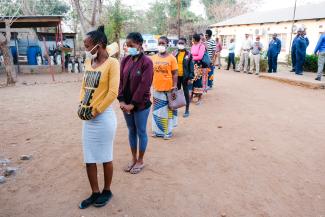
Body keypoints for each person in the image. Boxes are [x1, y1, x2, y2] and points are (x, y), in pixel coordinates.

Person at [77, 26, 119, 209]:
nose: (86, 49)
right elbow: (84, 88)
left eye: (87, 46)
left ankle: (107, 190)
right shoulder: (88, 63)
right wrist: (81, 105)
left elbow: (112, 93)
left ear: (99, 45)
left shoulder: (112, 64)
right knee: (89, 157)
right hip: (88, 117)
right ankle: (94, 192)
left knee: (105, 156)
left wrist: (95, 110)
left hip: (103, 118)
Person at [118, 32, 153, 174]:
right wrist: (121, 100)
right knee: (131, 130)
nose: (128, 48)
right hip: (126, 104)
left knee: (141, 131)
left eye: (131, 45)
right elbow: (120, 81)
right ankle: (133, 159)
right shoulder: (125, 61)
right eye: (127, 46)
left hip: (141, 104)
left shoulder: (147, 62)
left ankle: (140, 160)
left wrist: (133, 104)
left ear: (139, 44)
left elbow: (144, 85)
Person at [151, 36, 178, 140]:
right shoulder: (153, 58)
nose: (161, 45)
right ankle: (157, 131)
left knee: (168, 110)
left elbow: (175, 73)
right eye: (159, 43)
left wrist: (174, 86)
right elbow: (151, 73)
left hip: (168, 88)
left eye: (163, 43)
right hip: (156, 87)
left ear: (167, 45)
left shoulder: (172, 58)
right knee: (157, 110)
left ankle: (167, 131)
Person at [173, 37, 194, 117]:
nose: (180, 45)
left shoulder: (188, 54)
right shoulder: (174, 53)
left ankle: (187, 109)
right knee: (176, 93)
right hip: (176, 77)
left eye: (182, 43)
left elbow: (191, 66)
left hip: (185, 77)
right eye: (179, 43)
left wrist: (190, 77)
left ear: (185, 44)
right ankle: (175, 109)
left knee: (185, 93)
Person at [191, 33, 207, 105]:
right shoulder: (193, 45)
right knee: (192, 80)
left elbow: (200, 57)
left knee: (198, 81)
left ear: (195, 39)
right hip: (192, 64)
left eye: (192, 38)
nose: (192, 39)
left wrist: (192, 58)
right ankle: (191, 96)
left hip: (198, 65)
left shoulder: (201, 46)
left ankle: (199, 99)